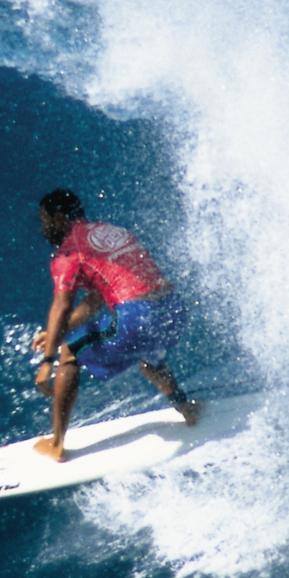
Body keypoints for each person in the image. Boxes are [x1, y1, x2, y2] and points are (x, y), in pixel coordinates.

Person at [30, 188, 198, 461]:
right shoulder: (111, 232)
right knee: (148, 351)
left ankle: (57, 443)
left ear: (59, 218)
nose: (42, 228)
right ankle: (186, 409)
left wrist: (47, 360)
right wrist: (55, 331)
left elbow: (62, 305)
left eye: (44, 220)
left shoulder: (68, 253)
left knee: (69, 351)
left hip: (136, 316)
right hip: (172, 310)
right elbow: (97, 300)